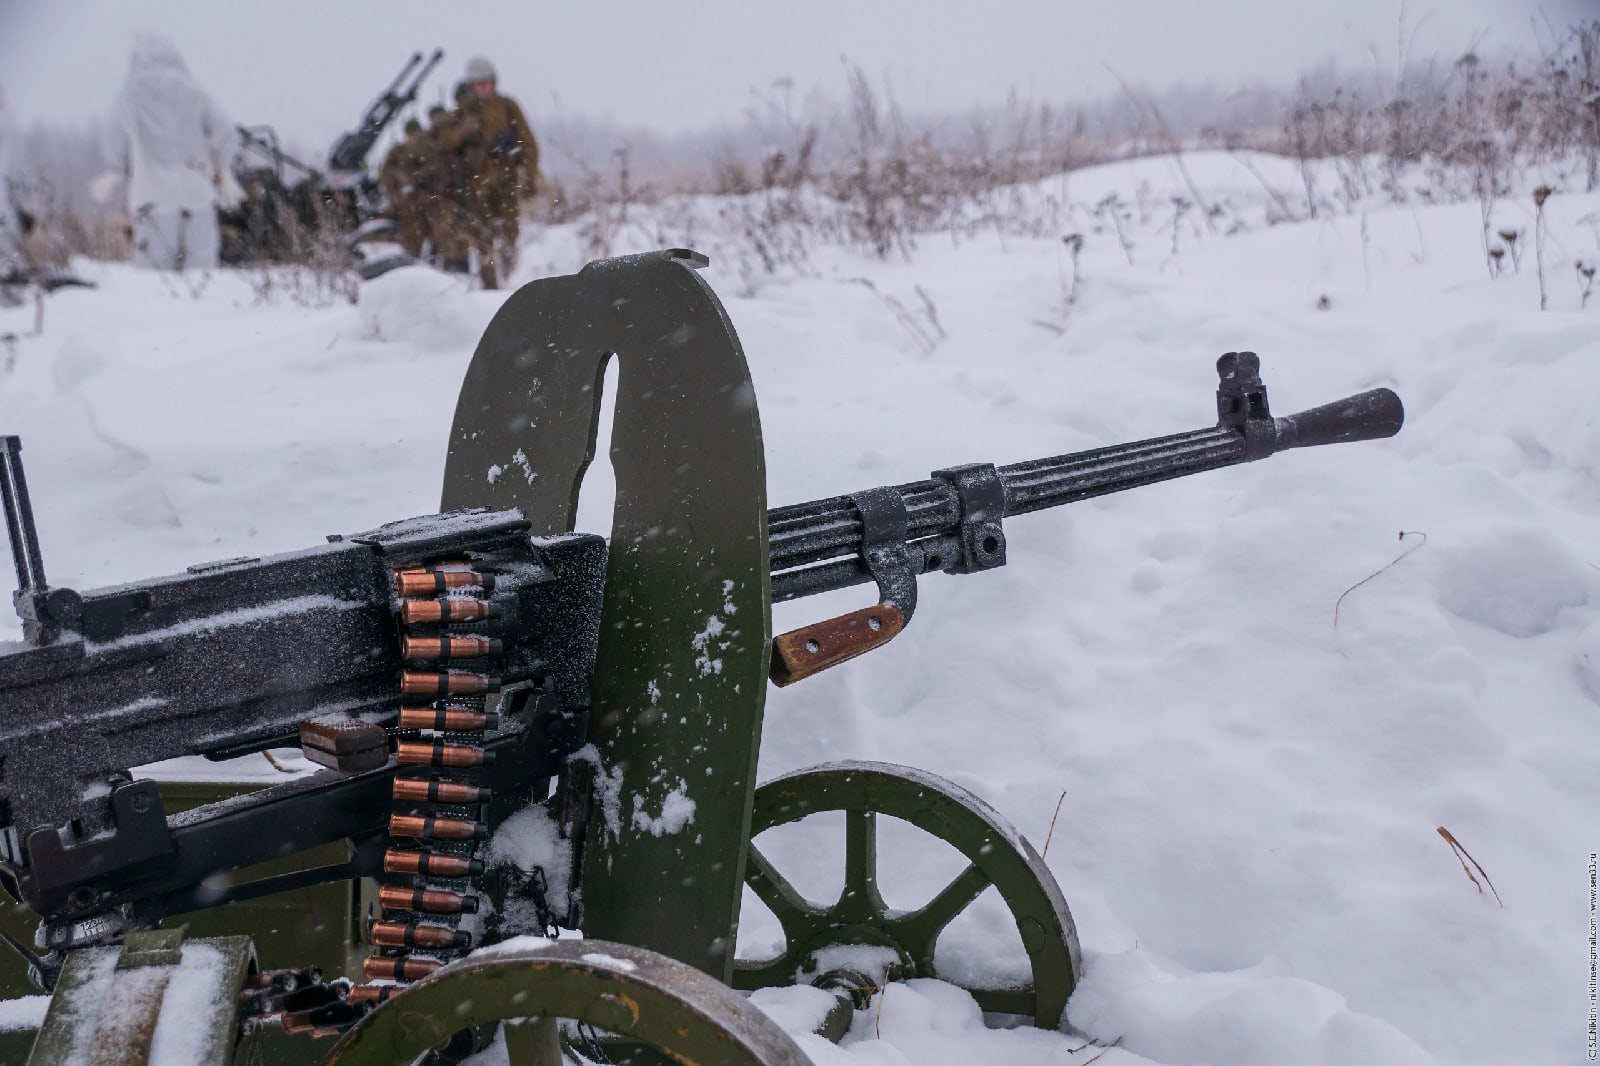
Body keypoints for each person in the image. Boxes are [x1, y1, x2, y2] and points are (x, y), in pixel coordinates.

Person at [95, 33, 242, 271]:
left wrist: (118, 167)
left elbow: (113, 133)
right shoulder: (193, 91)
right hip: (197, 191)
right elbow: (226, 132)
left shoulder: (130, 94)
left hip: (153, 194)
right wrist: (221, 167)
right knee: (203, 268)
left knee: (153, 273)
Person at [438, 56, 537, 288]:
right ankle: (490, 283)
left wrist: (529, 174)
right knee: (482, 236)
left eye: (487, 83)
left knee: (510, 231)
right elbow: (445, 142)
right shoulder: (465, 110)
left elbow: (528, 142)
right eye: (478, 84)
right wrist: (464, 130)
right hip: (476, 184)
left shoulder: (507, 106)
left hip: (506, 179)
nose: (483, 88)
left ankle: (510, 276)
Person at [378, 119, 433, 258]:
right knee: (410, 233)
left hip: (427, 201)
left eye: (414, 136)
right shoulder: (397, 152)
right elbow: (386, 173)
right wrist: (397, 179)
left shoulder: (428, 150)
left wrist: (417, 179)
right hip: (406, 203)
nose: (412, 139)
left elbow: (435, 171)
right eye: (409, 136)